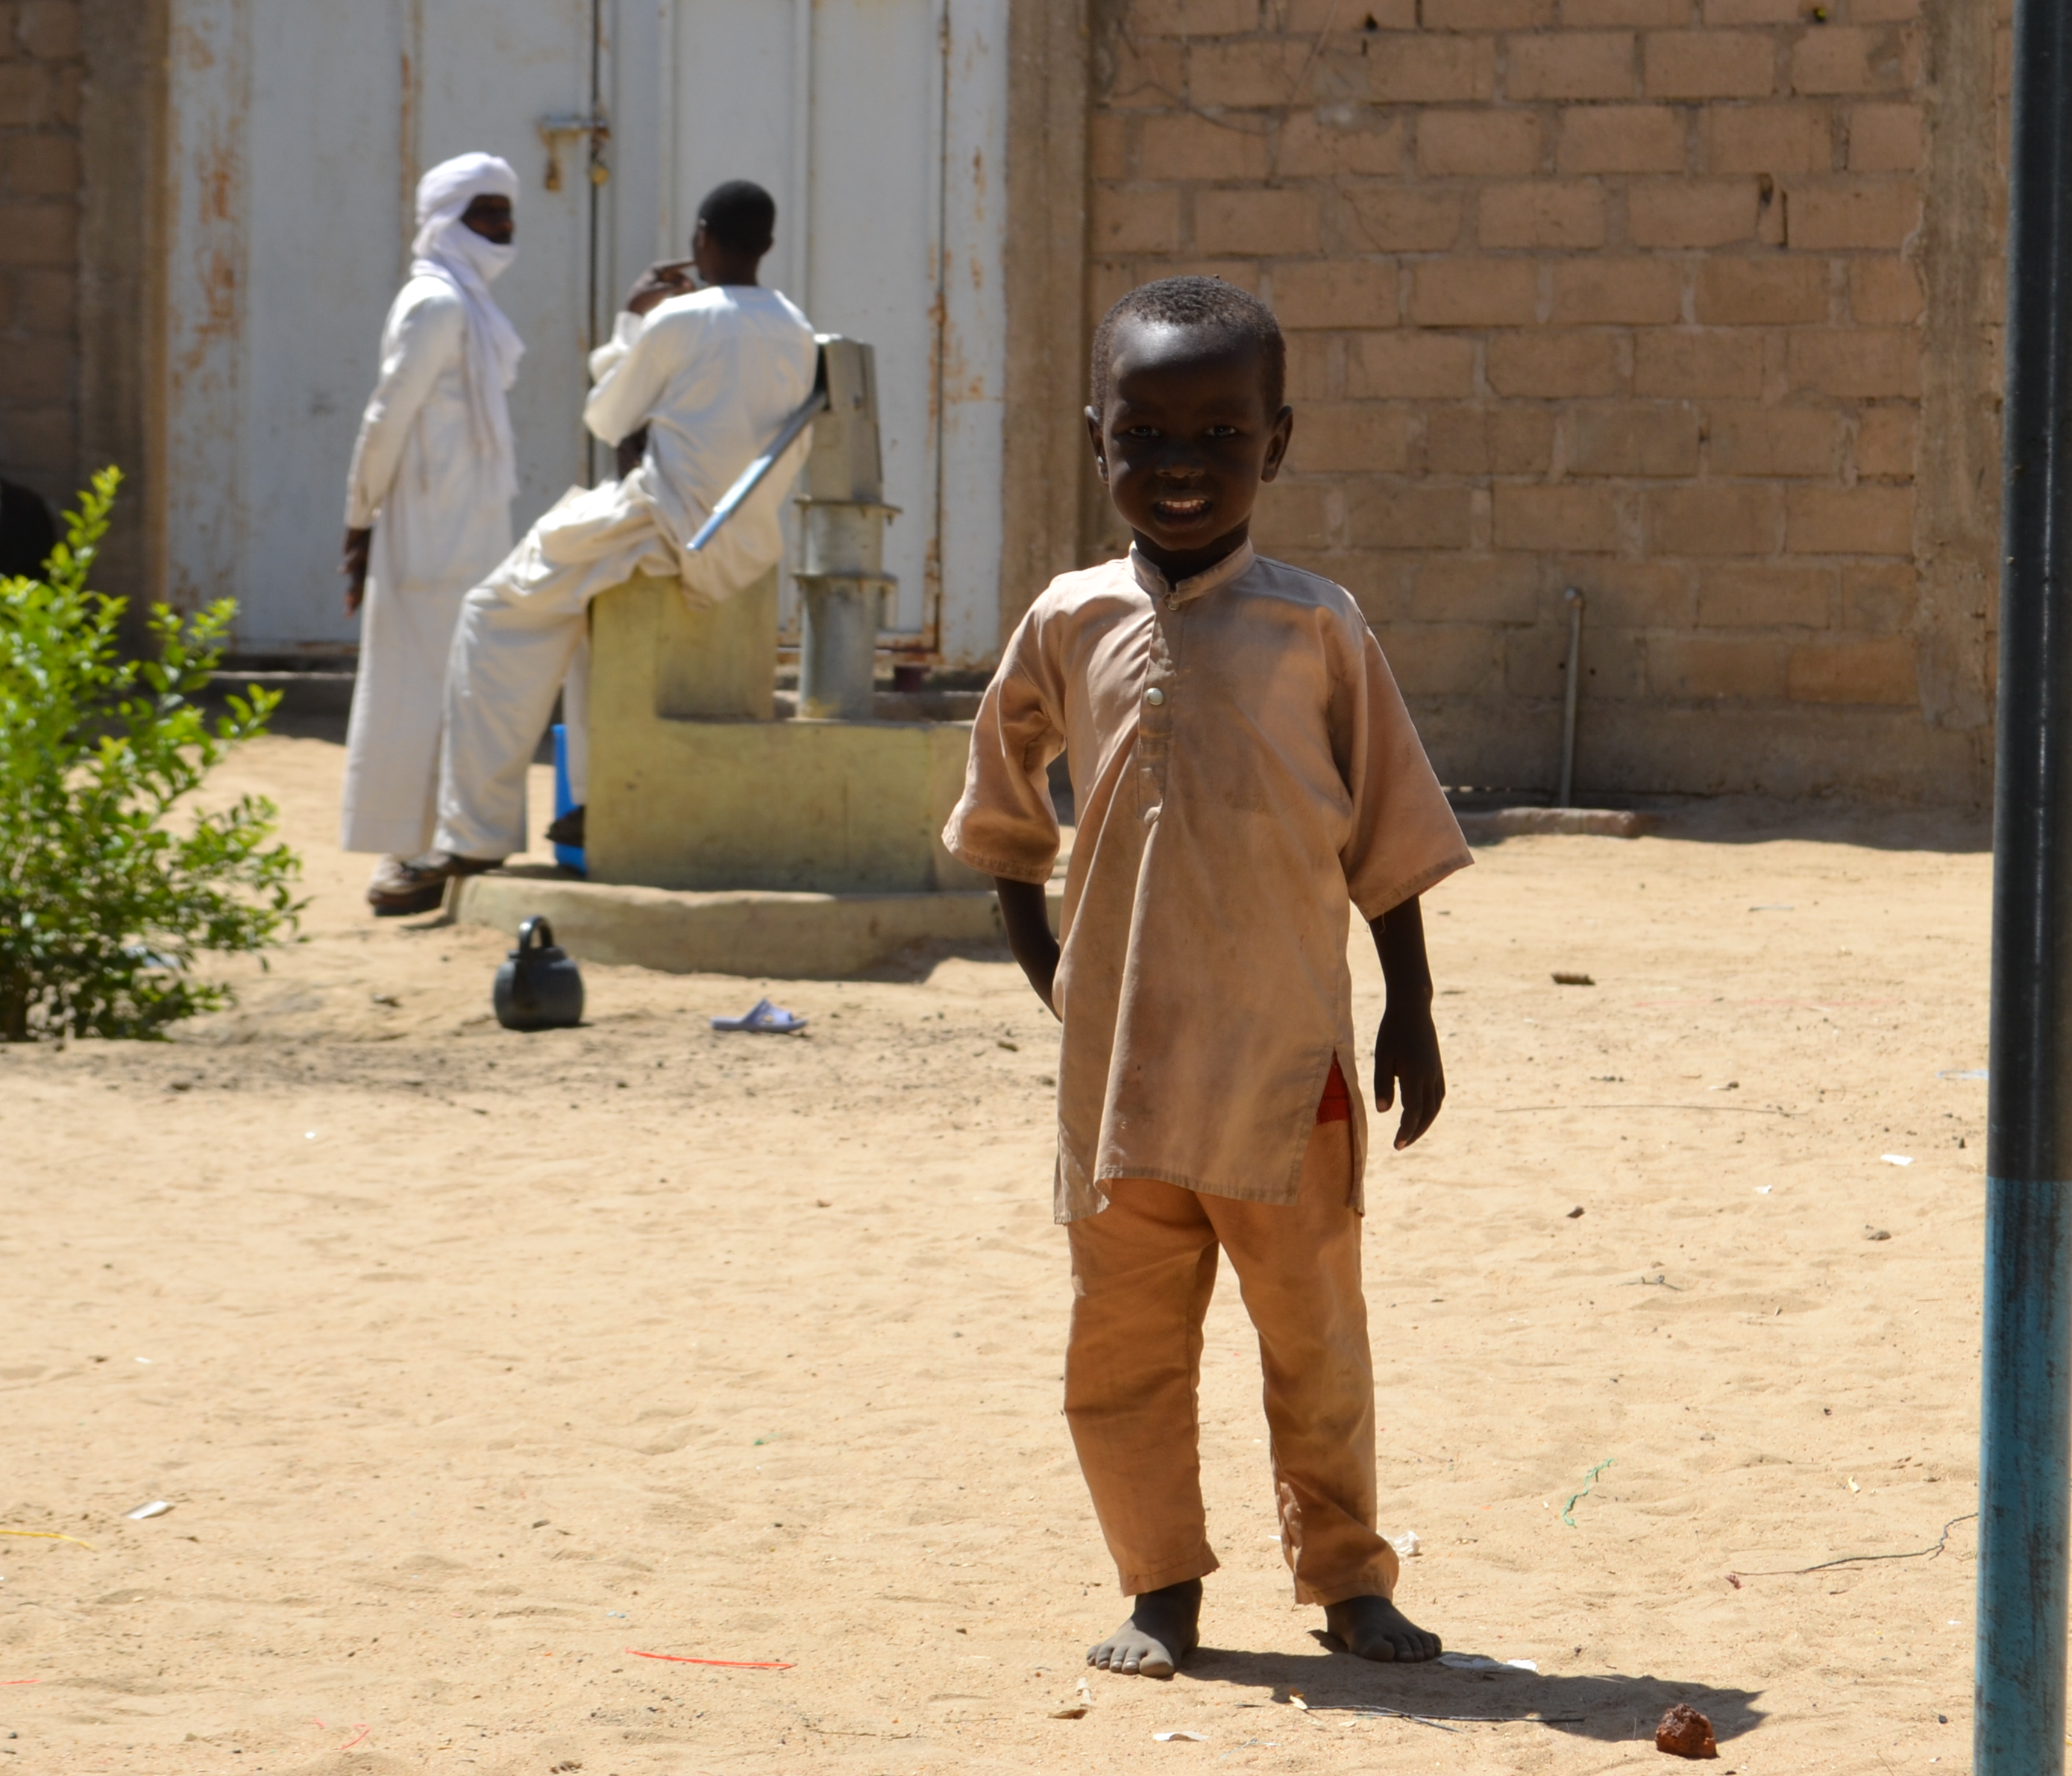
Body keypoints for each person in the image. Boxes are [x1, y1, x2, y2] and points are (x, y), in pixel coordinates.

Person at [943, 275, 1472, 1681]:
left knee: (1317, 1342)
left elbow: (1387, 829)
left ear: (1275, 443)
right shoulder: (1066, 619)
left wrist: (1411, 1006)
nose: (1180, 466)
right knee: (1121, 1348)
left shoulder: (1318, 628)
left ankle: (1348, 1582)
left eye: (1220, 436)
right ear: (1096, 441)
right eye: (1145, 436)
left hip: (1288, 1068)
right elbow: (1003, 804)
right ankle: (1160, 1585)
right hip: (1120, 1077)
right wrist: (1053, 973)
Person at [423, 178, 817, 878]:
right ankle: (594, 799)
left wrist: (633, 317)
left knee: (490, 614)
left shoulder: (679, 319)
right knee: (581, 626)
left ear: (701, 239)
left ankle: (474, 837)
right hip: (743, 540)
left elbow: (606, 417)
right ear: (768, 244)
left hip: (661, 523)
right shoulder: (796, 326)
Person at [342, 152, 524, 918]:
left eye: (506, 213)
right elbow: (385, 418)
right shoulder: (437, 303)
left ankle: (450, 843)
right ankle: (406, 855)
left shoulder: (468, 304)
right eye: (485, 213)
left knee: (461, 689)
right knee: (414, 692)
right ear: (447, 220)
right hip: (425, 533)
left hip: (467, 531)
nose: (502, 227)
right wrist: (360, 520)